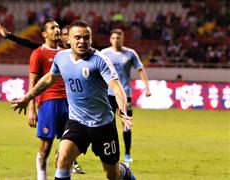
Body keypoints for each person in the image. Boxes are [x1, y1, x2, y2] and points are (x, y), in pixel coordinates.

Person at [11, 20, 135, 180]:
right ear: (68, 39)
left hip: (103, 125)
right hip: (77, 123)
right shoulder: (61, 58)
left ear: (91, 39)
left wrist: (123, 110)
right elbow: (49, 78)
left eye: (86, 37)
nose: (82, 41)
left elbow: (117, 88)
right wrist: (28, 98)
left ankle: (125, 172)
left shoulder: (100, 60)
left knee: (112, 174)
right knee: (62, 160)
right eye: (77, 37)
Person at [0, 22, 85, 175]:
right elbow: (33, 81)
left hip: (69, 103)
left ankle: (63, 172)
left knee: (73, 143)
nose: (57, 29)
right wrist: (31, 109)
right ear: (44, 34)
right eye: (52, 28)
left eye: (58, 27)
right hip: (49, 102)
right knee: (45, 146)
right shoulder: (38, 53)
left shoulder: (67, 53)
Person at [101, 29, 151, 163]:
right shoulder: (104, 53)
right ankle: (110, 152)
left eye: (118, 38)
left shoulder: (130, 54)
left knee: (126, 124)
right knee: (109, 124)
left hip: (125, 95)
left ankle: (128, 153)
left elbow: (140, 69)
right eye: (113, 38)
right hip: (108, 94)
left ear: (123, 39)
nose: (116, 40)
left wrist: (147, 88)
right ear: (110, 39)